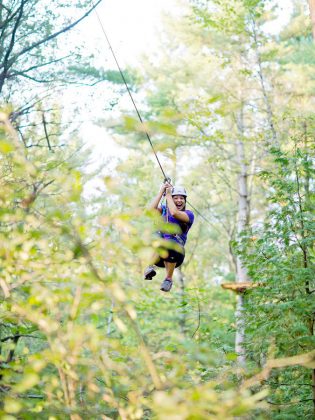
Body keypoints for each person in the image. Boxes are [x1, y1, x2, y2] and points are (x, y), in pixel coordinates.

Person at [144, 182, 194, 292]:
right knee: (157, 235)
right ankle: (150, 266)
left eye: (182, 198)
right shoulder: (164, 210)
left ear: (185, 201)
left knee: (170, 243)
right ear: (171, 199)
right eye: (176, 198)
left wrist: (168, 195)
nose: (179, 201)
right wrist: (161, 191)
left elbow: (175, 213)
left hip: (176, 253)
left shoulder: (188, 215)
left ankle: (168, 279)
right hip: (159, 255)